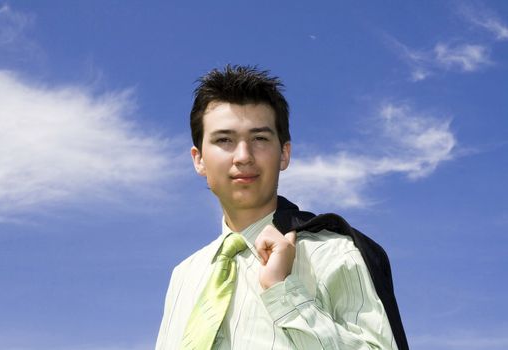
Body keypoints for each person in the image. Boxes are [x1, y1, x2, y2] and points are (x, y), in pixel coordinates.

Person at [155, 65, 407, 349]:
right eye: (224, 140)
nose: (243, 156)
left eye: (259, 139)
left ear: (284, 154)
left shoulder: (334, 253)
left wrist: (282, 291)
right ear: (198, 159)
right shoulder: (184, 275)